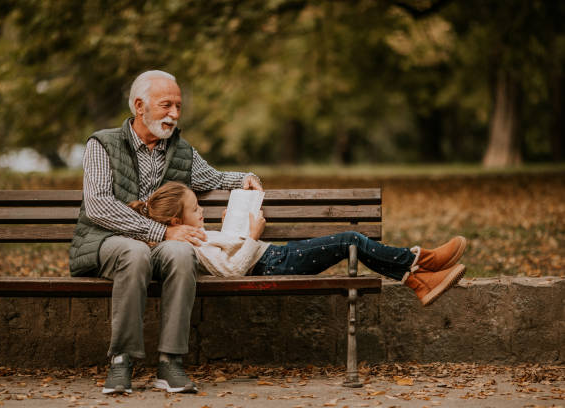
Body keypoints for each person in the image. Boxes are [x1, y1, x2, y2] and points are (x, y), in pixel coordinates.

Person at [69, 70, 262, 395]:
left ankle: (170, 362)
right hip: (105, 241)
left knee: (182, 252)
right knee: (136, 251)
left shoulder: (181, 151)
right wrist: (159, 231)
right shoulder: (102, 144)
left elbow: (212, 178)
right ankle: (121, 360)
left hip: (159, 245)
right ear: (140, 106)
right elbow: (99, 206)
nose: (174, 114)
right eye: (166, 105)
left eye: (178, 106)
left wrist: (244, 177)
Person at [129, 181, 467, 308]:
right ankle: (421, 261)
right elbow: (231, 271)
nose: (202, 211)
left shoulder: (193, 237)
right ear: (175, 221)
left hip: (275, 257)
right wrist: (252, 235)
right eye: (195, 209)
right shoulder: (188, 247)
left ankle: (420, 278)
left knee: (350, 242)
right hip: (272, 263)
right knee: (350, 239)